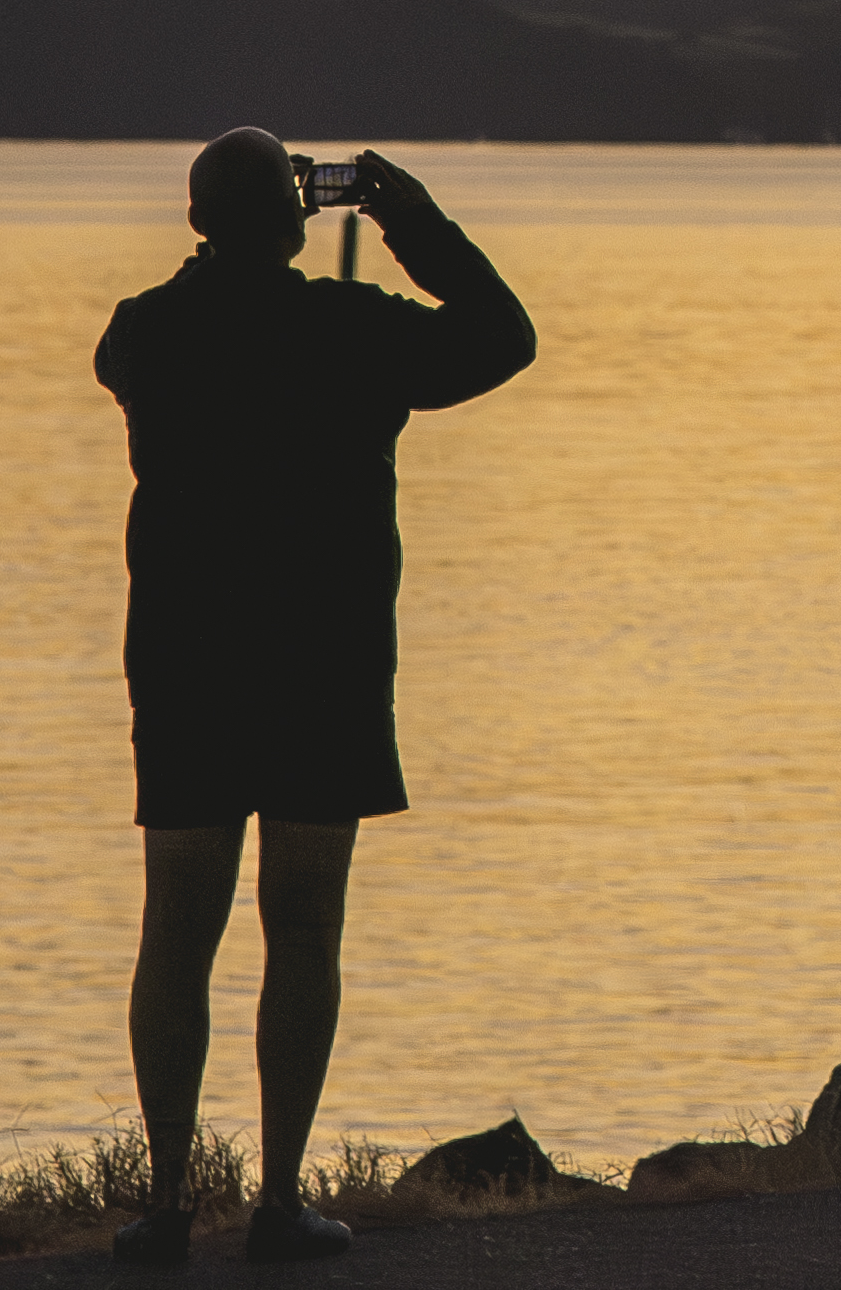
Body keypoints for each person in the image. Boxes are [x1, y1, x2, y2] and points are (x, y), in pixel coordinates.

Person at [97, 135, 536, 1265]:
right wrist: (412, 219)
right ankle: (280, 1197)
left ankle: (162, 1200)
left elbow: (140, 344)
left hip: (189, 662)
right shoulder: (354, 330)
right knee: (304, 927)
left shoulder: (144, 330)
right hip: (322, 668)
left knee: (176, 931)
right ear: (297, 221)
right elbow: (504, 336)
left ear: (197, 218)